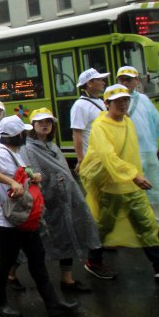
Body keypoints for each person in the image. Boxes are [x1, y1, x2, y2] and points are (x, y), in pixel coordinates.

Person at [0, 116, 79, 317]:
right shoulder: (1, 153)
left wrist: (32, 176)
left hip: (23, 218)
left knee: (37, 258)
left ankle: (52, 303)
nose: (26, 135)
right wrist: (11, 182)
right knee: (5, 262)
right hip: (6, 221)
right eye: (23, 132)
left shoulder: (15, 152)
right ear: (18, 135)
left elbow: (21, 172)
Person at [79, 85, 159, 281]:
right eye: (118, 101)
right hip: (111, 186)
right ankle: (93, 261)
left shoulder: (128, 122)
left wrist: (136, 175)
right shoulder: (100, 126)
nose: (123, 104)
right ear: (106, 104)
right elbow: (108, 156)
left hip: (132, 185)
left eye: (125, 100)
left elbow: (131, 153)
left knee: (145, 223)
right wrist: (133, 174)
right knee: (105, 226)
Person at [20, 108, 101, 292]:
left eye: (48, 121)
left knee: (67, 237)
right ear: (33, 125)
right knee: (34, 243)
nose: (45, 124)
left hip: (63, 200)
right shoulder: (28, 148)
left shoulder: (52, 145)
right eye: (41, 121)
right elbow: (32, 174)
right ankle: (11, 272)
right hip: (45, 203)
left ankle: (68, 279)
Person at [117, 65, 159, 224]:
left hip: (149, 150)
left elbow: (157, 121)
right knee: (132, 188)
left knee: (155, 185)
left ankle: (158, 221)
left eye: (129, 79)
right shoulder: (113, 101)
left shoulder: (144, 99)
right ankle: (136, 222)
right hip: (128, 153)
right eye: (122, 79)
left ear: (136, 81)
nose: (125, 82)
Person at [71, 68, 108, 173]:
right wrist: (81, 159)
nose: (103, 82)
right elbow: (77, 134)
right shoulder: (79, 105)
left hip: (105, 156)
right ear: (89, 83)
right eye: (99, 80)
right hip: (92, 160)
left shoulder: (101, 102)